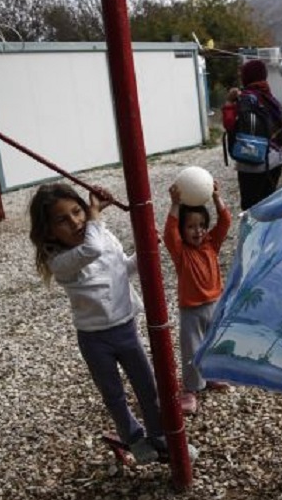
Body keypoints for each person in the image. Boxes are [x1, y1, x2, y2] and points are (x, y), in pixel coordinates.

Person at [28, 183, 197, 465]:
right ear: (48, 232)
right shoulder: (60, 261)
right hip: (94, 339)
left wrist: (144, 252)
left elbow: (124, 269)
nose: (75, 221)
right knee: (114, 394)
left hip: (125, 328)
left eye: (77, 211)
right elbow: (91, 249)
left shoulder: (102, 236)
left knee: (148, 387)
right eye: (62, 220)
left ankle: (160, 437)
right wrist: (94, 212)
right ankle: (133, 437)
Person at [164, 176, 233, 415]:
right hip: (191, 310)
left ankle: (211, 376)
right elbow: (169, 233)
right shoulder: (180, 252)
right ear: (183, 230)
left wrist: (215, 197)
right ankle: (191, 389)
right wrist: (174, 204)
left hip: (215, 304)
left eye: (202, 225)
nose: (198, 231)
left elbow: (225, 221)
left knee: (214, 344)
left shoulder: (211, 244)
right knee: (192, 350)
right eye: (191, 226)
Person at [221, 58, 282, 210]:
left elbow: (229, 124)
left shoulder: (243, 99)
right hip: (273, 162)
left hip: (249, 163)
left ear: (246, 77)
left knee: (250, 209)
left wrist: (228, 103)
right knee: (268, 205)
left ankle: (252, 232)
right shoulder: (272, 101)